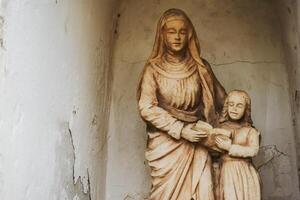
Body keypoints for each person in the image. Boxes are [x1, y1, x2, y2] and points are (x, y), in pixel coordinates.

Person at [137, 8, 226, 200]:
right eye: (171, 31)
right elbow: (147, 107)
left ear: (189, 35)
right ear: (162, 35)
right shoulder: (153, 70)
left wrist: (239, 125)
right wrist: (180, 129)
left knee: (205, 192)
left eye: (182, 31)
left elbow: (222, 101)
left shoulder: (201, 67)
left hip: (198, 138)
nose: (177, 37)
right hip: (166, 142)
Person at [215, 90, 261, 200]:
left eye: (239, 106)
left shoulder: (251, 131)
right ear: (226, 106)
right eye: (231, 104)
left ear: (246, 109)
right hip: (225, 171)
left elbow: (253, 151)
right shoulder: (220, 128)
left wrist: (230, 147)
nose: (234, 109)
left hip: (244, 172)